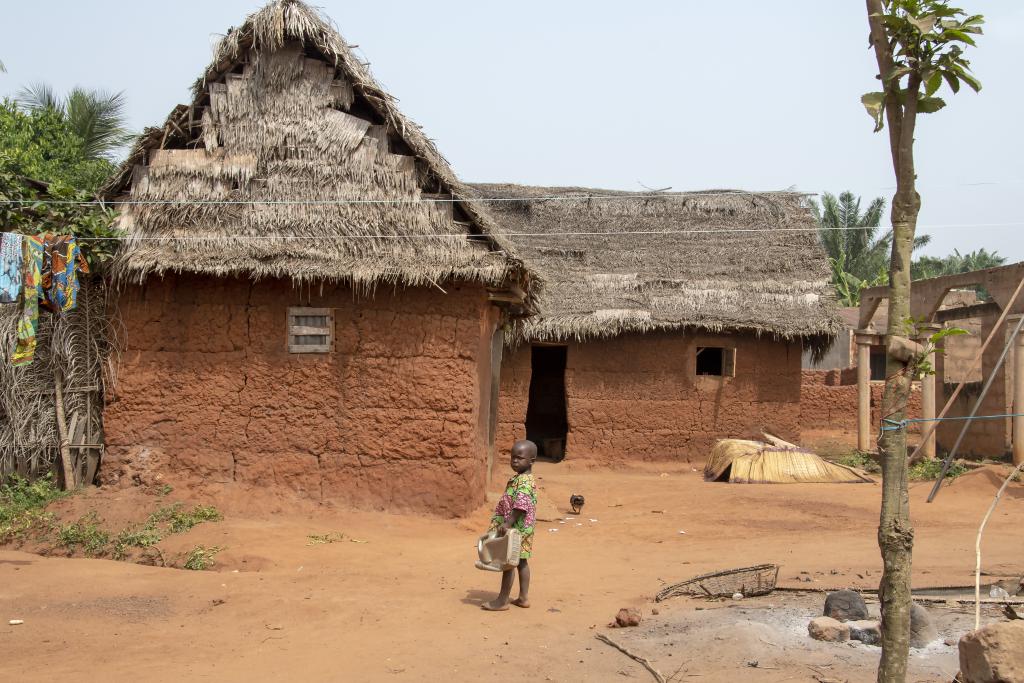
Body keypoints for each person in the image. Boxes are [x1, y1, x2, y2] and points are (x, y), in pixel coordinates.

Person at [481, 439, 537, 611]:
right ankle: (523, 598)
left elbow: (521, 506)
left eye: (519, 458)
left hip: (516, 529)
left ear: (531, 461)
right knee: (521, 561)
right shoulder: (520, 478)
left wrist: (508, 522)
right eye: (512, 457)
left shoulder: (525, 482)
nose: (514, 461)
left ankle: (502, 600)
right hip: (523, 530)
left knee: (508, 563)